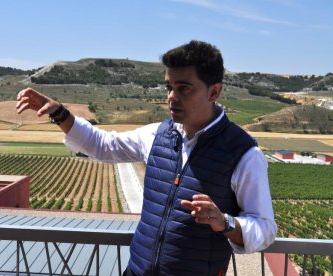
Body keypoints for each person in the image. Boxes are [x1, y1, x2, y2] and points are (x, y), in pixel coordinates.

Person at [16, 40, 277, 276]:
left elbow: (265, 230)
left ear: (214, 92)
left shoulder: (244, 154)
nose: (171, 97)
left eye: (184, 88)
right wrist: (62, 115)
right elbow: (104, 145)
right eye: (169, 87)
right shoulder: (157, 134)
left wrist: (225, 222)